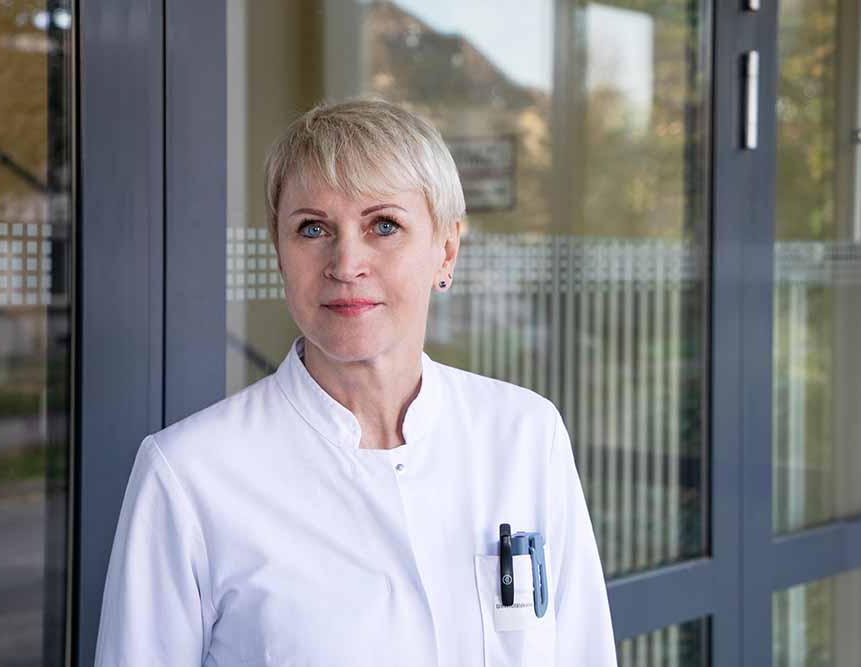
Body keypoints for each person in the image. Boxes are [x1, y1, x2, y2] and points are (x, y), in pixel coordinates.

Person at [95, 97, 617, 666]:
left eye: (384, 225)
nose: (346, 264)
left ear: (446, 251)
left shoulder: (525, 434)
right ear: (279, 253)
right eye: (312, 228)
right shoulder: (188, 475)